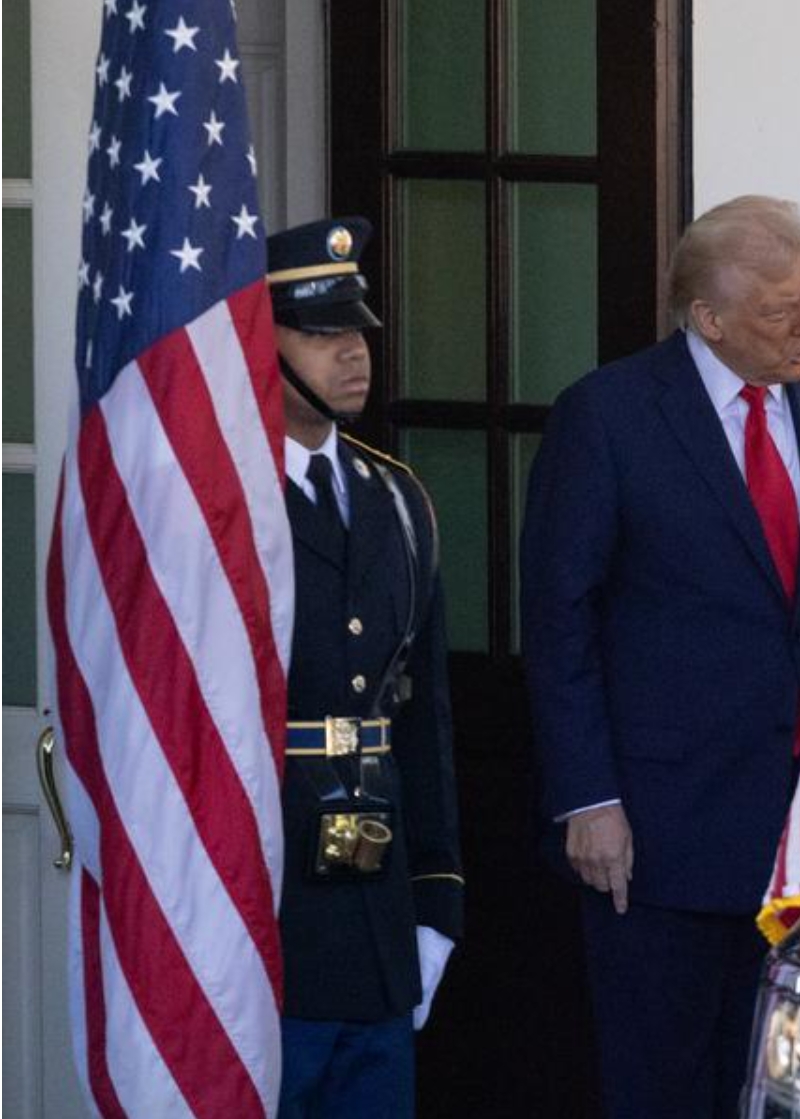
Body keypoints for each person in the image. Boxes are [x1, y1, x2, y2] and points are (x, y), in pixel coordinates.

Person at [521, 195, 800, 1118]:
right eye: (779, 308)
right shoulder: (607, 415)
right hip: (659, 830)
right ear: (708, 318)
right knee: (665, 1082)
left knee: (792, 1082)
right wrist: (588, 797)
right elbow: (560, 617)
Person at [267, 217, 463, 1118]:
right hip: (262, 907)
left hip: (375, 911)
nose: (353, 354)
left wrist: (436, 899)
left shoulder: (398, 499)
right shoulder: (222, 500)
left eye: (358, 332)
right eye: (320, 333)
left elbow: (422, 718)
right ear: (258, 344)